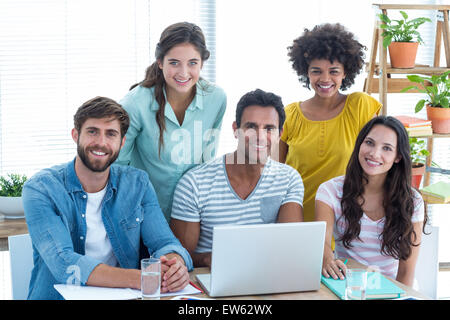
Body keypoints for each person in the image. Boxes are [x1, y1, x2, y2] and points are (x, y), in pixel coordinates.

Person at [22, 97, 192, 300]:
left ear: (122, 142)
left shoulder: (138, 183)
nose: (101, 142)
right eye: (92, 131)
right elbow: (64, 263)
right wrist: (140, 278)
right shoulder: (41, 189)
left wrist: (175, 265)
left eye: (111, 134)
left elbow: (164, 242)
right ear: (76, 135)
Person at [170, 89, 304, 267]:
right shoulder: (194, 183)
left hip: (266, 275)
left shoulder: (289, 179)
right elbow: (180, 257)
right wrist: (209, 258)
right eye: (251, 127)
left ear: (280, 133)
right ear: (235, 130)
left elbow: (291, 247)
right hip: (210, 279)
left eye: (269, 128)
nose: (260, 136)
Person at [116, 22, 227, 222]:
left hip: (192, 216)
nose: (183, 73)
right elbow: (118, 167)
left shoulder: (216, 99)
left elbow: (206, 162)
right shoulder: (135, 103)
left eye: (192, 63)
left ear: (202, 63)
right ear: (160, 62)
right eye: (174, 62)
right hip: (141, 214)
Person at [278, 23, 382, 222]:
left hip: (347, 225)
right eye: (316, 71)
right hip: (298, 221)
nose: (325, 79)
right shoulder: (290, 115)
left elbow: (380, 162)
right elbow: (275, 176)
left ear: (345, 73)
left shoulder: (360, 106)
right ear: (306, 72)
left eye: (334, 71)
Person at [315, 116, 426, 286]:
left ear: (398, 157)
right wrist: (326, 258)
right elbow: (321, 243)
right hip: (348, 287)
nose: (374, 154)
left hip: (394, 290)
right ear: (359, 144)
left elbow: (406, 272)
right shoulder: (329, 191)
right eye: (369, 143)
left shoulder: (413, 201)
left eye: (387, 148)